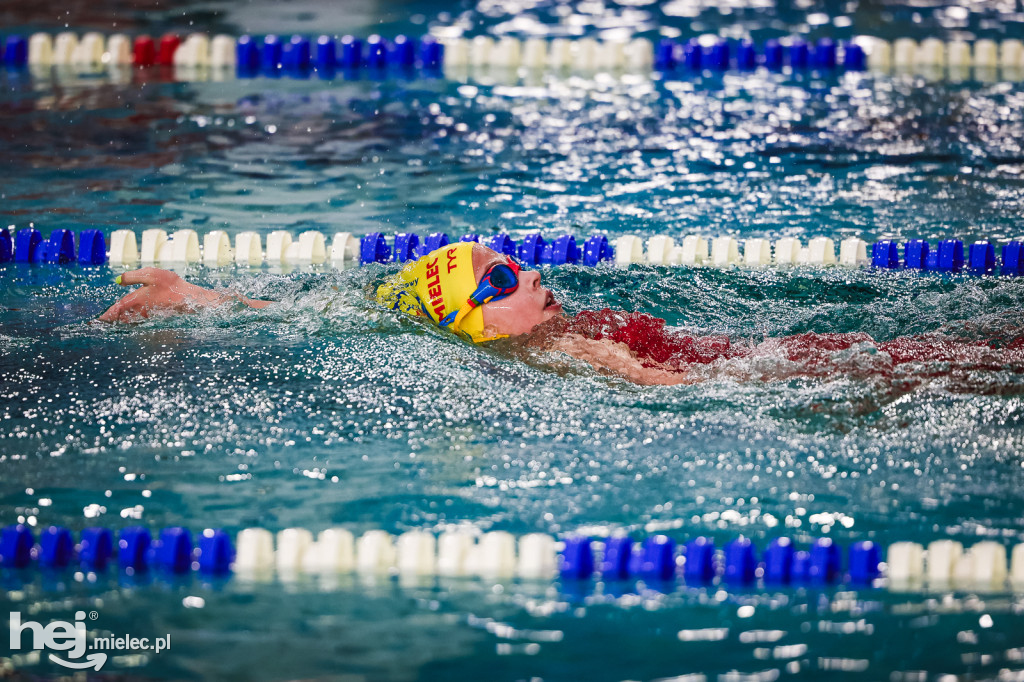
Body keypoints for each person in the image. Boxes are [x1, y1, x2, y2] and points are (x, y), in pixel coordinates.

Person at [99, 242, 1024, 388]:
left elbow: (321, 311)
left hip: (747, 341)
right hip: (766, 361)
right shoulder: (565, 353)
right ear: (469, 324)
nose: (525, 277)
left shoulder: (540, 328)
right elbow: (679, 387)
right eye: (498, 283)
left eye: (514, 264)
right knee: (943, 357)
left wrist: (199, 295)